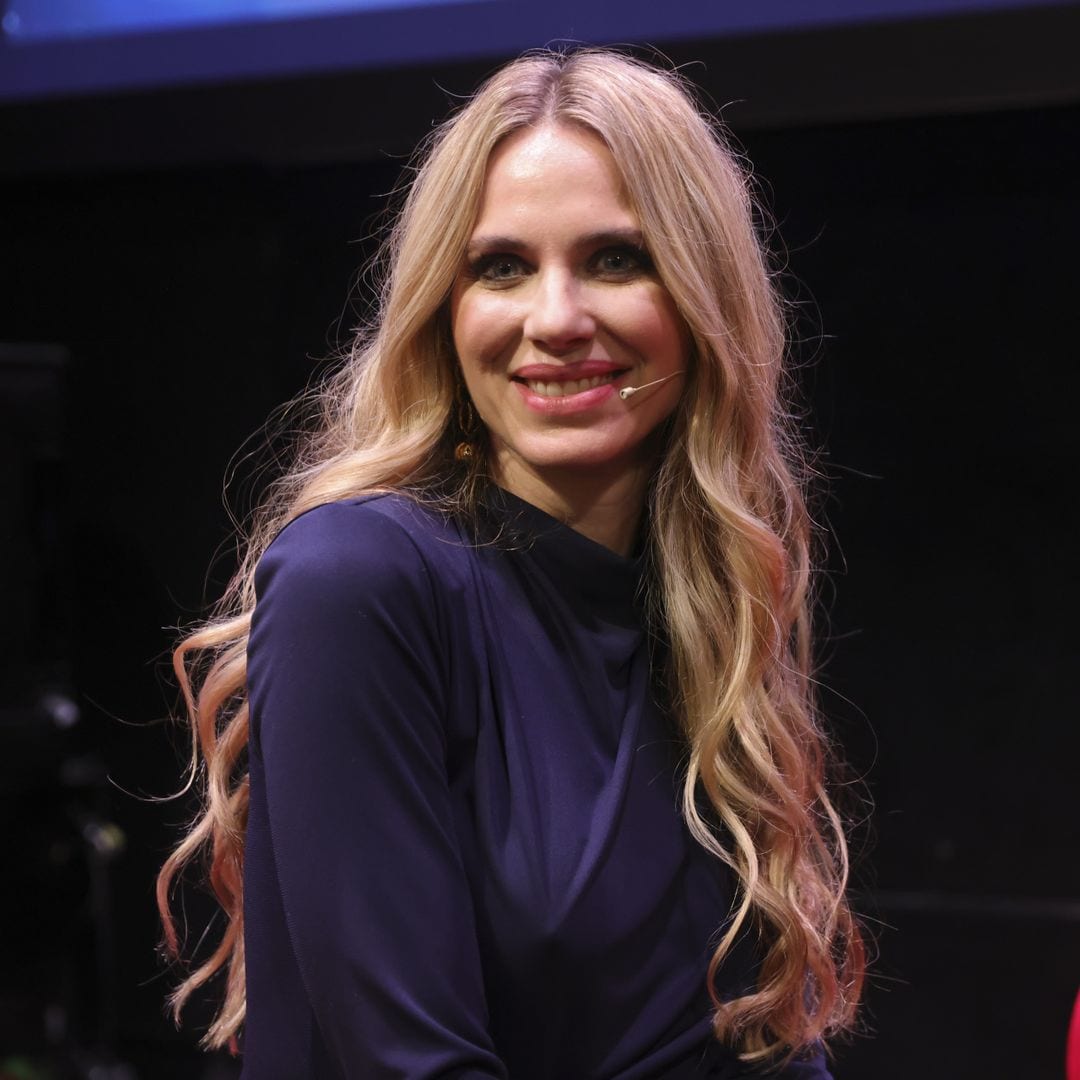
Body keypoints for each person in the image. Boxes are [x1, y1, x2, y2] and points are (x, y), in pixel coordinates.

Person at [157, 48, 864, 1079]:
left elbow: (766, 1043)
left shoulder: (706, 603)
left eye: (617, 258)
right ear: (445, 310)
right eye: (501, 267)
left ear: (703, 289)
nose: (557, 318)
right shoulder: (357, 582)